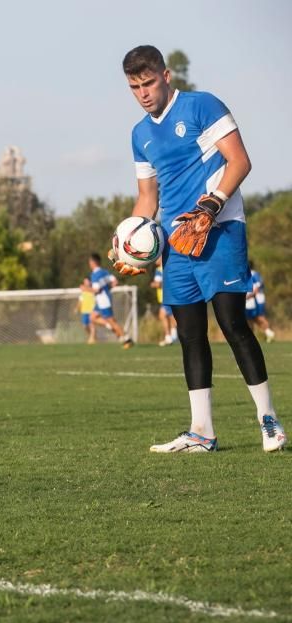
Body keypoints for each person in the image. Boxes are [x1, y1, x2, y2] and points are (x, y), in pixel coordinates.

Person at [115, 45, 284, 452]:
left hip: (220, 229)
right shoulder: (140, 135)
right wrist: (129, 241)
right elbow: (147, 197)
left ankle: (269, 420)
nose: (143, 93)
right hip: (177, 243)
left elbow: (239, 162)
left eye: (149, 82)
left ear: (167, 76)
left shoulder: (201, 106)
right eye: (134, 87)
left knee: (232, 323)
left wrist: (213, 203)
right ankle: (202, 431)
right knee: (190, 334)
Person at [87, 254, 134, 349]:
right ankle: (110, 326)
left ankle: (127, 339)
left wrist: (85, 289)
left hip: (103, 301)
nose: (89, 265)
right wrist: (108, 287)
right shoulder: (105, 272)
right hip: (101, 300)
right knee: (92, 317)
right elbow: (115, 282)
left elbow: (96, 290)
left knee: (112, 322)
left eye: (90, 263)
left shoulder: (95, 274)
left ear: (93, 262)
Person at [245, 262, 276, 343]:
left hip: (257, 300)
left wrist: (248, 296)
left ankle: (270, 333)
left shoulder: (254, 274)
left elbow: (257, 288)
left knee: (259, 317)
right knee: (251, 318)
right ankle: (266, 333)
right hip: (250, 301)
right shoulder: (247, 274)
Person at [151, 259, 178, 347]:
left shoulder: (159, 269)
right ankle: (172, 336)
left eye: (157, 257)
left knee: (166, 315)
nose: (155, 259)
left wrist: (153, 284)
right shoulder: (170, 266)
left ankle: (170, 337)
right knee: (169, 316)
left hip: (166, 296)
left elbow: (158, 284)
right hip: (170, 295)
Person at [76, 278, 96, 344]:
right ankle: (91, 336)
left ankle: (92, 339)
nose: (86, 283)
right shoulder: (83, 291)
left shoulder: (93, 289)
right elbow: (80, 300)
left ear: (90, 282)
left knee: (91, 325)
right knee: (85, 326)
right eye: (85, 282)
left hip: (92, 310)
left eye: (87, 281)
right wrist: (77, 308)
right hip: (84, 311)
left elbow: (95, 292)